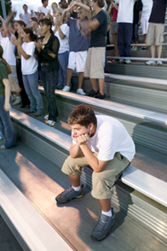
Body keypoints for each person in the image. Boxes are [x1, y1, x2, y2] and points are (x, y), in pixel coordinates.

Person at [55, 104, 135, 241]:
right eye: (72, 129)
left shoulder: (108, 131)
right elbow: (73, 155)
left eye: (77, 129)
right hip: (99, 150)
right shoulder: (80, 126)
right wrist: (79, 143)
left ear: (90, 126)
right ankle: (76, 189)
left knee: (99, 176)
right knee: (70, 162)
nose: (73, 133)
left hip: (120, 153)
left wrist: (84, 145)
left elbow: (98, 168)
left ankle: (108, 215)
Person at [12, 28, 45, 116]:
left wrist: (19, 45)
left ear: (28, 34)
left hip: (31, 71)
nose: (21, 35)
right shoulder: (23, 44)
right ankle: (32, 107)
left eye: (23, 33)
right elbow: (20, 56)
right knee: (28, 92)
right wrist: (18, 45)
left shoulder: (32, 44)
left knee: (34, 91)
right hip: (25, 72)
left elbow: (26, 56)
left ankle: (40, 109)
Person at [34, 18, 60, 127]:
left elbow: (54, 55)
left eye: (43, 25)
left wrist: (43, 47)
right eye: (40, 25)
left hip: (51, 69)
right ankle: (53, 113)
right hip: (42, 69)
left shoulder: (54, 39)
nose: (41, 27)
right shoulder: (40, 39)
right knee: (47, 93)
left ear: (49, 26)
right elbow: (36, 56)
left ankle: (53, 117)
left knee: (51, 94)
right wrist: (39, 49)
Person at [61, 1, 90, 95]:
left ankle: (79, 88)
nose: (79, 14)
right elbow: (62, 17)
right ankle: (67, 85)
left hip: (83, 49)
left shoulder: (87, 22)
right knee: (70, 67)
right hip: (73, 49)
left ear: (84, 14)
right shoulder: (73, 21)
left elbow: (89, 10)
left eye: (81, 12)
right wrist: (67, 9)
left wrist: (77, 3)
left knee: (81, 70)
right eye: (78, 12)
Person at [4, 12, 30, 108]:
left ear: (22, 26)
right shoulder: (16, 35)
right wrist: (8, 17)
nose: (15, 28)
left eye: (17, 25)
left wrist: (10, 16)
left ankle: (29, 102)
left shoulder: (27, 35)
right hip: (18, 61)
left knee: (24, 83)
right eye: (14, 26)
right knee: (21, 82)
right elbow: (6, 25)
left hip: (25, 61)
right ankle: (24, 102)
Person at [83, 0, 107, 99]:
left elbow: (92, 26)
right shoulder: (95, 16)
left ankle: (101, 93)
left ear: (96, 2)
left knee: (98, 70)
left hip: (99, 46)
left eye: (92, 1)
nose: (91, 3)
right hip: (92, 45)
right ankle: (95, 90)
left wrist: (84, 24)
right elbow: (88, 31)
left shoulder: (102, 14)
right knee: (90, 70)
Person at [0, 45, 17, 149]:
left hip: (2, 97)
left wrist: (6, 102)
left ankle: (11, 142)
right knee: (1, 121)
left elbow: (6, 85)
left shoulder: (1, 66)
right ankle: (7, 139)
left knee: (6, 121)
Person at [145, 0, 167, 66]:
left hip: (160, 21)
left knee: (159, 41)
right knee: (151, 41)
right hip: (152, 20)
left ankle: (159, 59)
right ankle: (153, 59)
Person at [54, 11, 70, 90]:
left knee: (65, 70)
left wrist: (58, 26)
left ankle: (67, 84)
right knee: (59, 70)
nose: (57, 17)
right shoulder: (57, 28)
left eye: (58, 16)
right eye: (56, 16)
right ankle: (60, 84)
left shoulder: (65, 26)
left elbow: (62, 36)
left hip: (64, 51)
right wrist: (56, 27)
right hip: (57, 51)